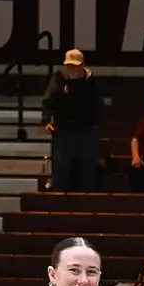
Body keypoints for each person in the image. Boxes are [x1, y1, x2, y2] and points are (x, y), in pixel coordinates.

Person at [42, 50, 102, 193]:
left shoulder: (91, 81)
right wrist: (46, 120)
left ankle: (86, 204)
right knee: (61, 167)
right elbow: (47, 100)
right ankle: (59, 203)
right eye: (69, 66)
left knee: (86, 169)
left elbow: (99, 104)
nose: (72, 69)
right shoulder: (58, 79)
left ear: (82, 65)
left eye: (75, 66)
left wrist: (96, 124)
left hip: (86, 130)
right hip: (63, 130)